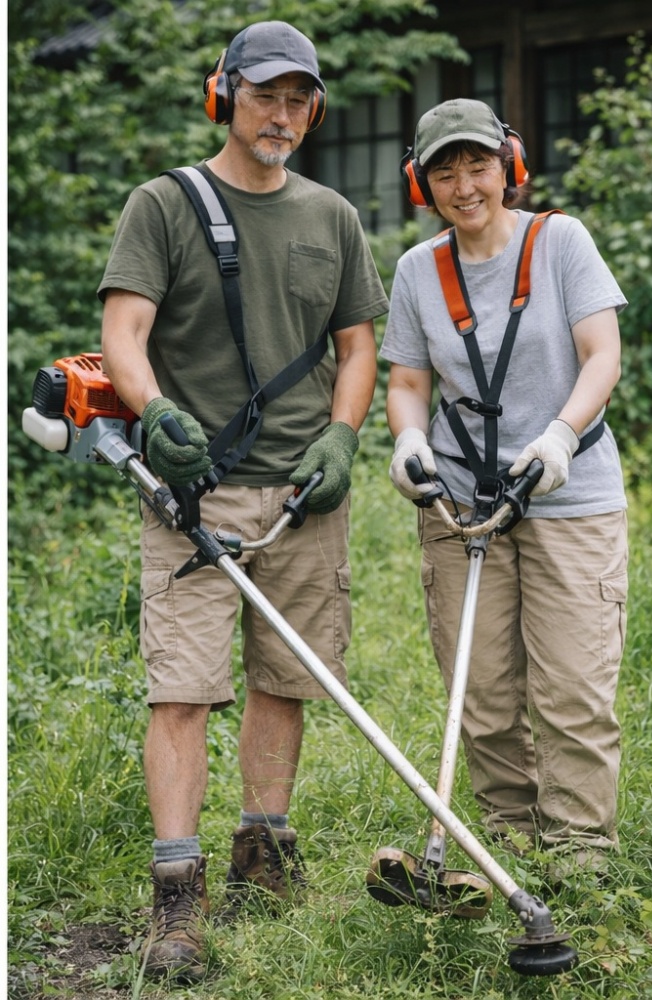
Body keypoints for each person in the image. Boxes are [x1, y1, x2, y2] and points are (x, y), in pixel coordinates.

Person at [99, 20, 388, 981]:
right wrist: (155, 413)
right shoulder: (165, 204)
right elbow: (124, 335)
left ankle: (263, 856)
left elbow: (356, 347)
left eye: (299, 97)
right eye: (265, 94)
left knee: (285, 678)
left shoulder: (332, 216)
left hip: (305, 495)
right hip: (195, 491)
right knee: (183, 688)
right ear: (225, 94)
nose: (283, 113)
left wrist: (344, 436)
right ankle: (177, 902)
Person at [381, 99, 628, 881]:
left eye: (477, 165)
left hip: (568, 496)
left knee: (573, 695)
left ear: (509, 167)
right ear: (423, 183)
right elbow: (409, 380)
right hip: (464, 508)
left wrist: (558, 434)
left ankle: (580, 863)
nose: (464, 185)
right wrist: (409, 438)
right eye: (444, 170)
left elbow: (602, 354)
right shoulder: (419, 271)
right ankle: (505, 851)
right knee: (481, 695)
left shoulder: (561, 243)